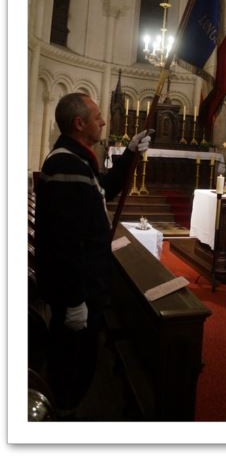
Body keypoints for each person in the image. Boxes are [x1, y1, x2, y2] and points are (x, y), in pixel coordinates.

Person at [34, 92, 151, 417]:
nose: (103, 121)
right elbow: (65, 242)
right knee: (72, 370)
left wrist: (129, 153)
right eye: (97, 117)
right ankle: (61, 422)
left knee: (80, 363)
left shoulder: (77, 159)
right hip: (78, 293)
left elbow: (104, 189)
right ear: (79, 123)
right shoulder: (65, 165)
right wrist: (74, 301)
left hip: (84, 289)